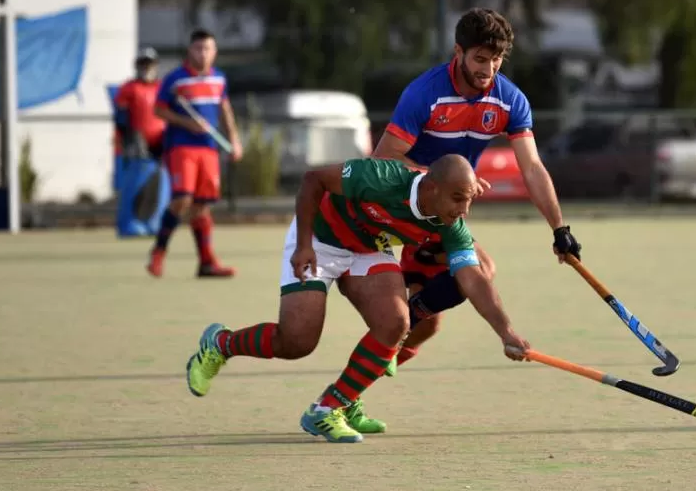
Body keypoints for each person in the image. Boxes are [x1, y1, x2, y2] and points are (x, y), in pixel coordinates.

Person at [183, 155, 531, 443]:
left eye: (469, 199)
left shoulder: (449, 222)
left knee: (397, 322)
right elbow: (313, 180)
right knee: (297, 340)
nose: (464, 209)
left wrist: (506, 332)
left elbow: (474, 279)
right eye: (459, 198)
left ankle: (329, 407)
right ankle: (220, 343)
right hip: (318, 238)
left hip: (366, 247)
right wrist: (304, 243)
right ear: (431, 187)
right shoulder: (382, 177)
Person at [368, 7, 580, 376]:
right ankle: (405, 315)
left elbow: (531, 168)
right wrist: (446, 181)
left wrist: (559, 228)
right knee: (479, 270)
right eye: (480, 59)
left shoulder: (509, 100)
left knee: (425, 326)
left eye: (496, 59)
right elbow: (383, 159)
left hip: (445, 211)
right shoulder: (424, 94)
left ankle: (395, 334)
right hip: (405, 205)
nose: (489, 69)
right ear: (458, 52)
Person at [148, 29, 243, 278]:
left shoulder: (219, 79)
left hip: (208, 148)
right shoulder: (175, 79)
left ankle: (206, 262)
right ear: (190, 50)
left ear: (215, 52)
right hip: (181, 146)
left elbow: (225, 110)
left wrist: (234, 139)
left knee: (202, 206)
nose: (203, 53)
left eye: (207, 49)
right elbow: (158, 111)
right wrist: (186, 123)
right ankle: (158, 253)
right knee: (183, 199)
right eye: (198, 48)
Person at [114, 47, 165, 160]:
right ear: (137, 66)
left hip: (161, 139)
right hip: (137, 140)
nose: (147, 68)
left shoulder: (162, 87)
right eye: (143, 64)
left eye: (150, 64)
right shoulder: (129, 88)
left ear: (156, 66)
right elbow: (121, 118)